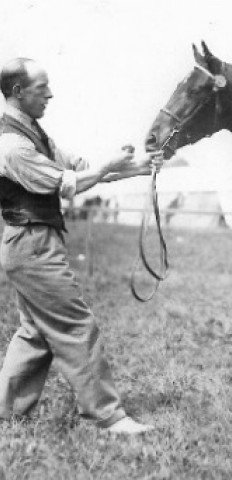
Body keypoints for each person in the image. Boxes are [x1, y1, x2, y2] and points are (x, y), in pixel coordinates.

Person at [0, 57, 163, 434]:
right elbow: (65, 184)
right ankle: (106, 416)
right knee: (76, 325)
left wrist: (141, 166)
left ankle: (6, 411)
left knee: (36, 331)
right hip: (31, 245)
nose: (50, 94)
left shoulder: (30, 132)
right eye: (42, 89)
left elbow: (79, 169)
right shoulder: (11, 146)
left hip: (33, 243)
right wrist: (107, 167)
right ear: (18, 92)